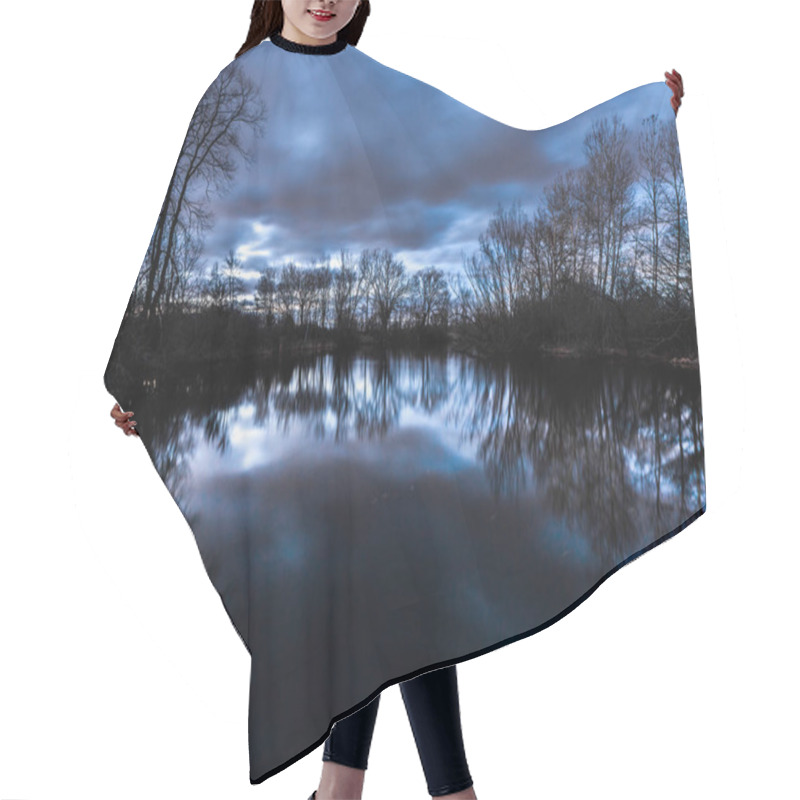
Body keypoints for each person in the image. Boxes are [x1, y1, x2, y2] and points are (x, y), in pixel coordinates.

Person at [109, 2, 685, 798]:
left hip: (373, 391)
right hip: (301, 419)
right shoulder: (235, 91)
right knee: (373, 585)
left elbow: (488, 173)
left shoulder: (375, 87)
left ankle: (351, 788)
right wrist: (150, 375)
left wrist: (634, 127)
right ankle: (425, 791)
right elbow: (195, 246)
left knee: (402, 578)